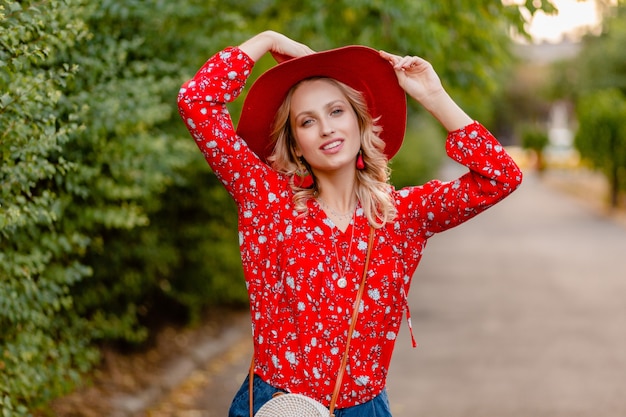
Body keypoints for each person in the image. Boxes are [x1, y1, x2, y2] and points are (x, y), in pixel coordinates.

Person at [177, 30, 522, 417]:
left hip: (365, 408)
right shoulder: (268, 200)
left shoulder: (400, 216)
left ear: (361, 122)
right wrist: (266, 40)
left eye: (336, 111)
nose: (326, 128)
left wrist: (432, 96)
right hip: (277, 407)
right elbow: (197, 102)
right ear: (294, 143)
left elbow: (500, 176)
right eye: (307, 121)